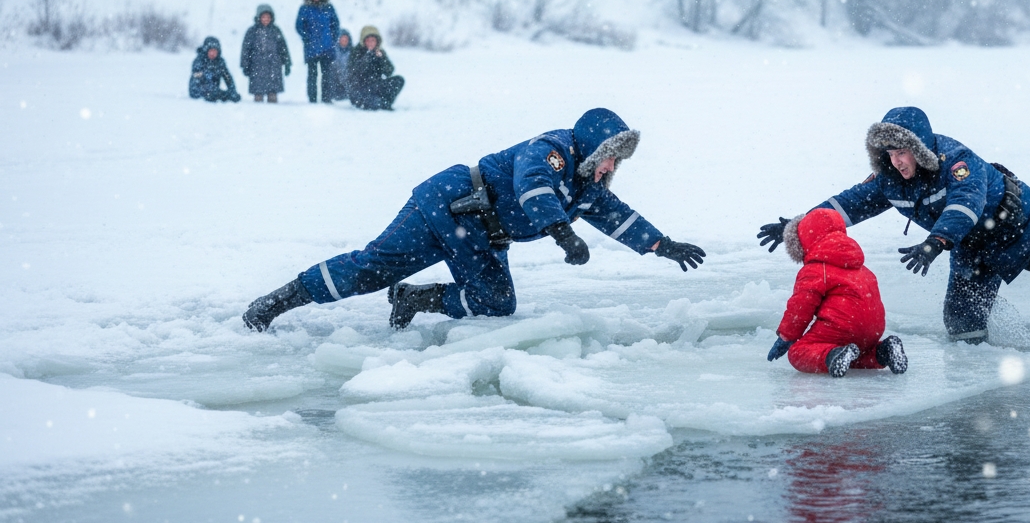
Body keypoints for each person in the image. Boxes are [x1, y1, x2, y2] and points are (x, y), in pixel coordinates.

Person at [243, 108, 707, 332]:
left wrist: (661, 245)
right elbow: (532, 187)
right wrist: (563, 233)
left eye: (616, 164)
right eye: (610, 158)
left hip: (481, 237)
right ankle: (278, 301)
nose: (611, 169)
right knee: (371, 268)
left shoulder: (587, 184)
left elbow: (616, 217)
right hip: (445, 206)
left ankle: (414, 298)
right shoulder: (552, 150)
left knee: (496, 301)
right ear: (592, 147)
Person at [758, 106, 1030, 344]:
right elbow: (845, 206)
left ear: (920, 149)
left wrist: (935, 242)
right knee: (961, 325)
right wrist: (800, 226)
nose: (895, 161)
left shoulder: (961, 164)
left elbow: (965, 204)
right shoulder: (888, 180)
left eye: (901, 152)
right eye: (887, 153)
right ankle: (989, 404)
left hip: (1024, 227)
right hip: (974, 251)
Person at [768, 208, 907, 378]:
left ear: (805, 240)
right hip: (873, 329)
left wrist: (786, 337)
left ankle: (831, 356)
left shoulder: (816, 270)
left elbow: (801, 306)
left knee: (798, 352)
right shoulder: (861, 268)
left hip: (841, 327)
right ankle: (883, 351)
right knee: (854, 354)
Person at [294, 0, 341, 103]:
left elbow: (335, 25)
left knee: (327, 75)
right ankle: (312, 98)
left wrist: (333, 39)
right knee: (312, 75)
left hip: (327, 47)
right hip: (311, 47)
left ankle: (326, 98)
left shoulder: (329, 8)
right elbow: (299, 26)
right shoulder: (305, 9)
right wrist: (306, 38)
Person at [239, 4, 291, 103]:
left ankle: (273, 105)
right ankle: (258, 107)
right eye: (263, 17)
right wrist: (245, 64)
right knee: (258, 91)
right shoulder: (252, 31)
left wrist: (287, 62)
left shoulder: (276, 31)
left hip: (273, 65)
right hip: (257, 65)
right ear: (259, 17)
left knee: (272, 91)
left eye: (268, 17)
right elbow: (246, 49)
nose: (266, 19)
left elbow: (283, 47)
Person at [347, 26, 404, 111]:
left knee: (399, 80)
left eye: (373, 40)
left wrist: (382, 59)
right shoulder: (356, 52)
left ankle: (385, 103)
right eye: (368, 40)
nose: (370, 43)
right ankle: (382, 104)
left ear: (377, 41)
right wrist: (367, 57)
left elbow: (389, 71)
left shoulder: (380, 52)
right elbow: (354, 72)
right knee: (374, 103)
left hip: (376, 86)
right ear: (364, 41)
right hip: (360, 90)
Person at [188, 36, 240, 102]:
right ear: (206, 50)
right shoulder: (199, 61)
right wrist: (208, 91)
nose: (213, 53)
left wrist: (232, 91)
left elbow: (227, 77)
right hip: (197, 92)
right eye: (211, 51)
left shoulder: (220, 62)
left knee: (228, 95)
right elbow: (197, 77)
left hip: (214, 91)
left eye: (215, 51)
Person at [332, 29, 353, 101]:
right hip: (335, 79)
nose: (344, 41)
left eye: (346, 39)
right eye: (342, 39)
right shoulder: (333, 51)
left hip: (348, 80)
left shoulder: (353, 52)